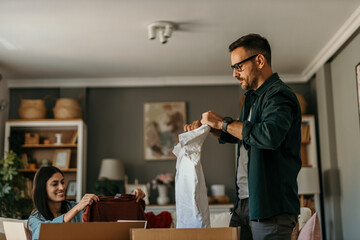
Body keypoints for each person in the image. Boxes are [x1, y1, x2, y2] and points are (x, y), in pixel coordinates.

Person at [184, 33, 301, 240]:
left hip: (270, 207)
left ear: (259, 60)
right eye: (233, 68)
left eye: (239, 67)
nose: (235, 74)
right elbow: (245, 135)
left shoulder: (279, 95)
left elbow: (268, 136)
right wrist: (211, 129)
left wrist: (222, 122)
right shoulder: (250, 99)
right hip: (243, 204)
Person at [28, 166, 145, 240]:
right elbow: (42, 233)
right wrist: (75, 210)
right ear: (42, 189)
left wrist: (130, 197)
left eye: (62, 182)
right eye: (55, 184)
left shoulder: (75, 207)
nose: (62, 187)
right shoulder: (35, 218)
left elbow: (107, 207)